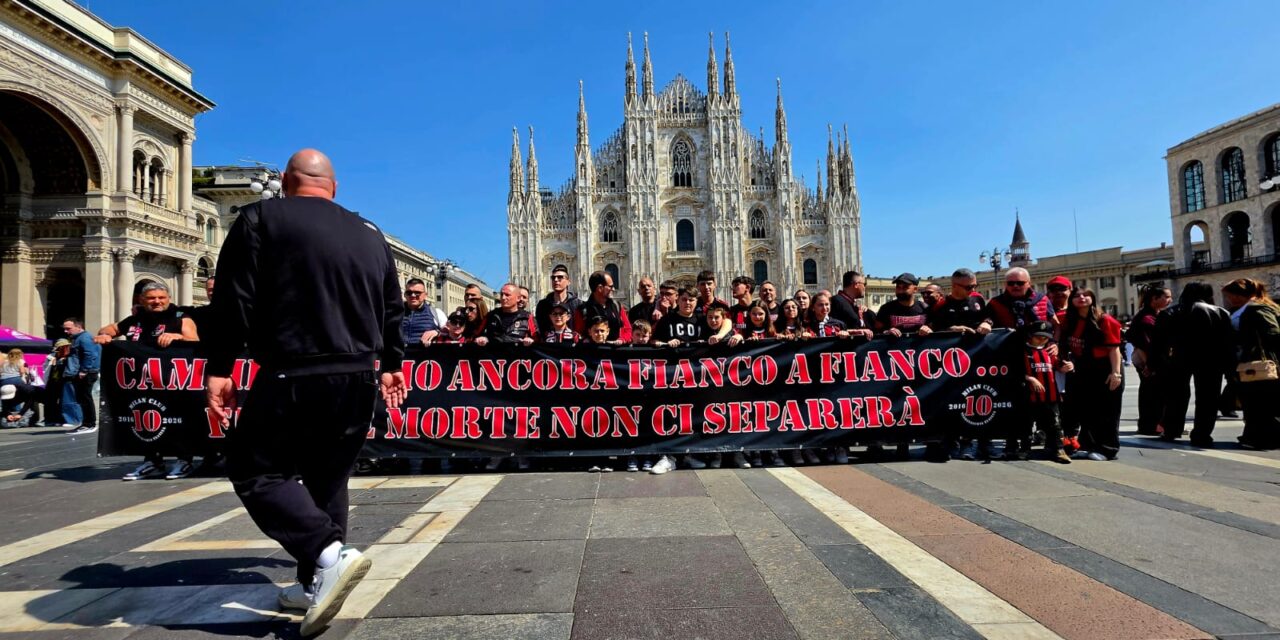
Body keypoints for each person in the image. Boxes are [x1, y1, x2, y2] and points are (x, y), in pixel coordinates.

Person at [203, 149, 405, 635]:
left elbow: (234, 299)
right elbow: (392, 307)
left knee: (254, 469)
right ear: (333, 187)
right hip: (358, 376)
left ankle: (328, 554)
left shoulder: (260, 219)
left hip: (294, 370)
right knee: (328, 478)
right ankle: (315, 578)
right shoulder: (370, 234)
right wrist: (392, 366)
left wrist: (221, 367)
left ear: (287, 183)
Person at [96, 282, 201, 480]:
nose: (157, 302)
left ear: (168, 298)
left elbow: (195, 342)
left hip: (174, 381)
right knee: (145, 422)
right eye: (151, 298)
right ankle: (152, 461)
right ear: (142, 300)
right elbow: (110, 328)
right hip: (142, 382)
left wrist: (176, 336)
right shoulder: (135, 319)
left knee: (178, 419)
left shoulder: (180, 317)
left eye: (161, 298)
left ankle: (184, 460)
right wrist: (104, 335)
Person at [1153, 282, 1233, 447]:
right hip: (1211, 360)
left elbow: (1158, 343)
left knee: (1176, 395)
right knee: (1209, 398)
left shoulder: (1171, 312)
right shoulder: (1220, 312)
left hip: (1179, 357)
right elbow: (1228, 343)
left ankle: (1171, 429)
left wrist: (1154, 363)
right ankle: (1202, 435)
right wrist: (1229, 366)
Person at [1062, 287, 1125, 461]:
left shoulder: (1104, 320)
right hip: (1084, 369)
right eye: (1076, 296)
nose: (1081, 298)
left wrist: (1116, 373)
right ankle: (1089, 445)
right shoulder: (1071, 321)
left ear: (1092, 298)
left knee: (1107, 411)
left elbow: (1114, 349)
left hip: (1105, 368)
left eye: (1086, 295)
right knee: (1087, 411)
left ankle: (1107, 449)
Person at [1221, 279, 1280, 450]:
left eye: (1230, 295)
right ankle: (1254, 436)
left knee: (1259, 401)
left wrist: (1245, 341)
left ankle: (1262, 438)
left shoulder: (1256, 309)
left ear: (1239, 295)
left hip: (1258, 361)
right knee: (1255, 401)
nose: (1228, 299)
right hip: (1249, 360)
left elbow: (1273, 333)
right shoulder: (1248, 308)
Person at [1021, 320, 1074, 463]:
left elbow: (1058, 366)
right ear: (1030, 335)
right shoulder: (1022, 352)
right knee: (1026, 424)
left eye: (1045, 337)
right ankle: (1024, 449)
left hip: (1051, 395)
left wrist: (1067, 366)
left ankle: (1058, 449)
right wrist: (1031, 379)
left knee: (1055, 424)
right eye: (1038, 336)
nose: (1042, 340)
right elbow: (1014, 371)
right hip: (1029, 396)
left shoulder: (1050, 352)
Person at [1126, 286, 1171, 436]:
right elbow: (1143, 345)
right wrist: (1148, 365)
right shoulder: (1146, 318)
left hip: (1152, 361)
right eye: (1166, 297)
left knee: (1153, 393)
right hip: (1148, 361)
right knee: (1152, 393)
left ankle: (1153, 424)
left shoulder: (1153, 315)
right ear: (1154, 299)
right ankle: (1151, 425)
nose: (1169, 300)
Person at [59, 318, 100, 433]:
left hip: (86, 372)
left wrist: (84, 370)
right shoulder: (77, 338)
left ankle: (90, 424)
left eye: (68, 328)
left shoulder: (84, 338)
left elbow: (90, 354)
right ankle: (86, 423)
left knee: (85, 397)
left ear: (78, 327)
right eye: (65, 329)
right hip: (81, 372)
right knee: (82, 398)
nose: (66, 331)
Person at [573, 271, 632, 344]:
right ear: (600, 288)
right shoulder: (582, 310)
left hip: (615, 352)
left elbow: (628, 329)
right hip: (592, 353)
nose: (613, 289)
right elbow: (578, 334)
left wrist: (622, 340)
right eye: (610, 286)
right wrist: (585, 340)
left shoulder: (617, 306)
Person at [930, 269, 992, 335]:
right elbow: (933, 329)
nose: (973, 290)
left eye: (975, 286)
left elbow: (987, 316)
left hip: (978, 343)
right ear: (954, 286)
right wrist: (950, 330)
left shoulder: (978, 298)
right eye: (969, 287)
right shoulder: (941, 305)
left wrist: (987, 323)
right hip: (952, 344)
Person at [985, 267, 1051, 329]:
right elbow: (986, 320)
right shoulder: (995, 303)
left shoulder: (1042, 299)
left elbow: (1055, 324)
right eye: (1011, 283)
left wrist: (1053, 340)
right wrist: (986, 323)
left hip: (1037, 340)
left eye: (1020, 283)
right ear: (1005, 284)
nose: (1015, 286)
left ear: (1029, 283)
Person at [877, 273, 933, 337]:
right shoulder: (886, 309)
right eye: (898, 287)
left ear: (915, 289)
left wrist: (928, 330)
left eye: (905, 287)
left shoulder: (925, 308)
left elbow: (934, 330)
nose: (900, 291)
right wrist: (887, 332)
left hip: (919, 346)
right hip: (894, 346)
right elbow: (876, 331)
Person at [830, 271, 877, 339]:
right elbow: (831, 327)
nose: (864, 287)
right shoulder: (836, 301)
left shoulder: (853, 305)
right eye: (864, 284)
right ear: (856, 285)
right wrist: (855, 331)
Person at [400, 278, 440, 346]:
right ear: (405, 295)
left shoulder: (436, 313)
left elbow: (451, 331)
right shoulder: (395, 312)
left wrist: (437, 332)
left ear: (425, 295)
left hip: (424, 355)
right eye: (409, 293)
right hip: (398, 355)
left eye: (417, 293)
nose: (413, 295)